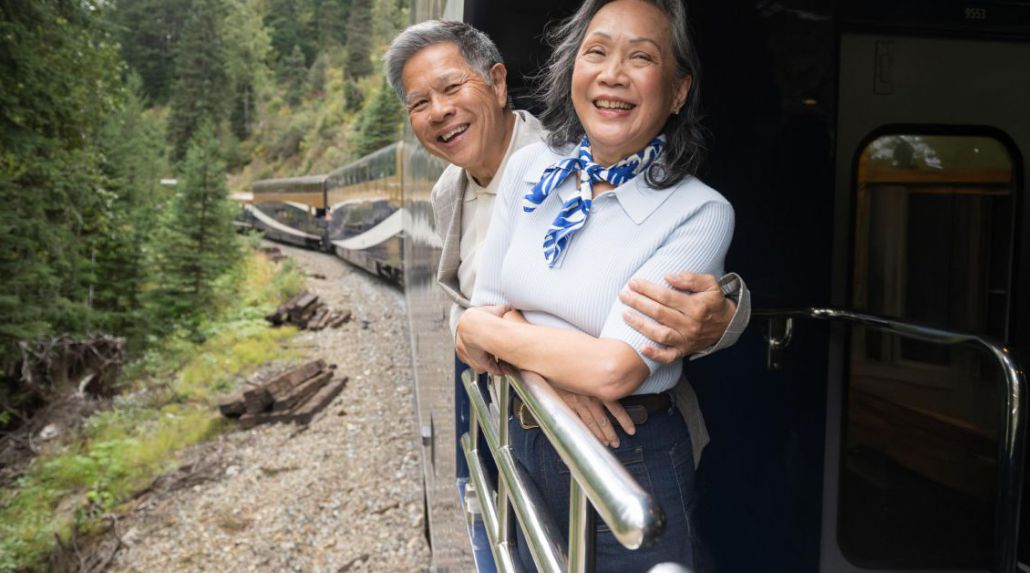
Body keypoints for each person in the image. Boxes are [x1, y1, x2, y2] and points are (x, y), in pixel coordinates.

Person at [384, 21, 747, 450]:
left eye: (451, 88)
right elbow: (468, 308)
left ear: (498, 83)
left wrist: (731, 312)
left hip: (619, 431)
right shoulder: (448, 189)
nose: (439, 111)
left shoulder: (569, 162)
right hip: (515, 422)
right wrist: (544, 370)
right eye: (420, 102)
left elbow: (628, 331)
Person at [455, 0, 727, 569]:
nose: (613, 74)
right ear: (571, 69)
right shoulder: (529, 173)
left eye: (642, 57)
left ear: (677, 91)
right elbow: (473, 328)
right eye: (596, 52)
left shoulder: (699, 212)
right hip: (524, 437)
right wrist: (557, 376)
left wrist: (504, 333)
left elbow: (614, 370)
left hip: (631, 454)